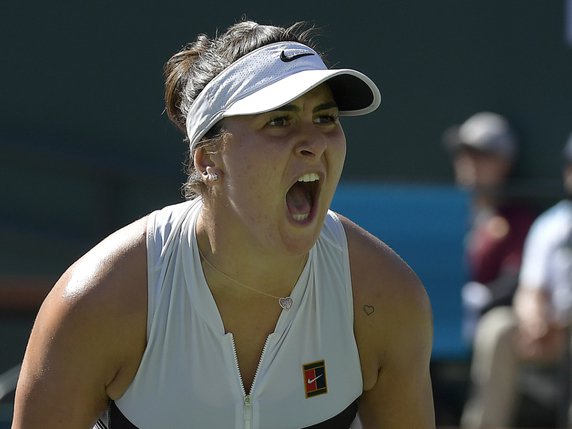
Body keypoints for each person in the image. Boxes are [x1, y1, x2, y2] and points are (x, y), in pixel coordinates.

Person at [12, 20, 435, 428]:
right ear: (208, 159)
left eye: (325, 118)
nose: (314, 143)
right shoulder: (100, 300)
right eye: (280, 121)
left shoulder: (384, 296)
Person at [460, 133, 572, 428]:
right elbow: (531, 287)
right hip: (547, 329)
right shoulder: (551, 224)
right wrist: (534, 320)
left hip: (563, 326)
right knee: (498, 329)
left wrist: (562, 323)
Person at [443, 112, 537, 343]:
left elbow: (515, 277)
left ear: (504, 164)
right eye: (465, 154)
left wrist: (480, 298)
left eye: (482, 155)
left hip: (483, 320)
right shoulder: (442, 215)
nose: (470, 163)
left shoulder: (518, 220)